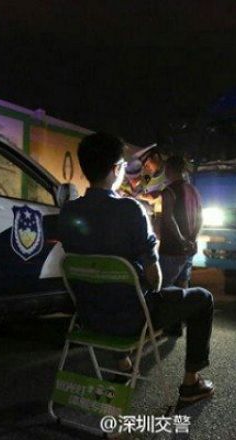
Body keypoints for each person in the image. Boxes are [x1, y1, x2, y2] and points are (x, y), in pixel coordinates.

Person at [58, 133, 215, 403]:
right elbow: (155, 280)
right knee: (202, 298)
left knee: (110, 292)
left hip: (88, 316)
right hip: (132, 319)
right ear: (115, 169)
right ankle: (191, 383)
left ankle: (124, 365)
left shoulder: (69, 212)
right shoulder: (130, 210)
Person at [159, 155, 202, 288]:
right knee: (183, 285)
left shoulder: (169, 191)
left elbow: (168, 218)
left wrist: (181, 240)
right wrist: (193, 240)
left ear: (168, 169)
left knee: (165, 286)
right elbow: (200, 218)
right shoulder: (194, 190)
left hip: (172, 248)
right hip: (189, 248)